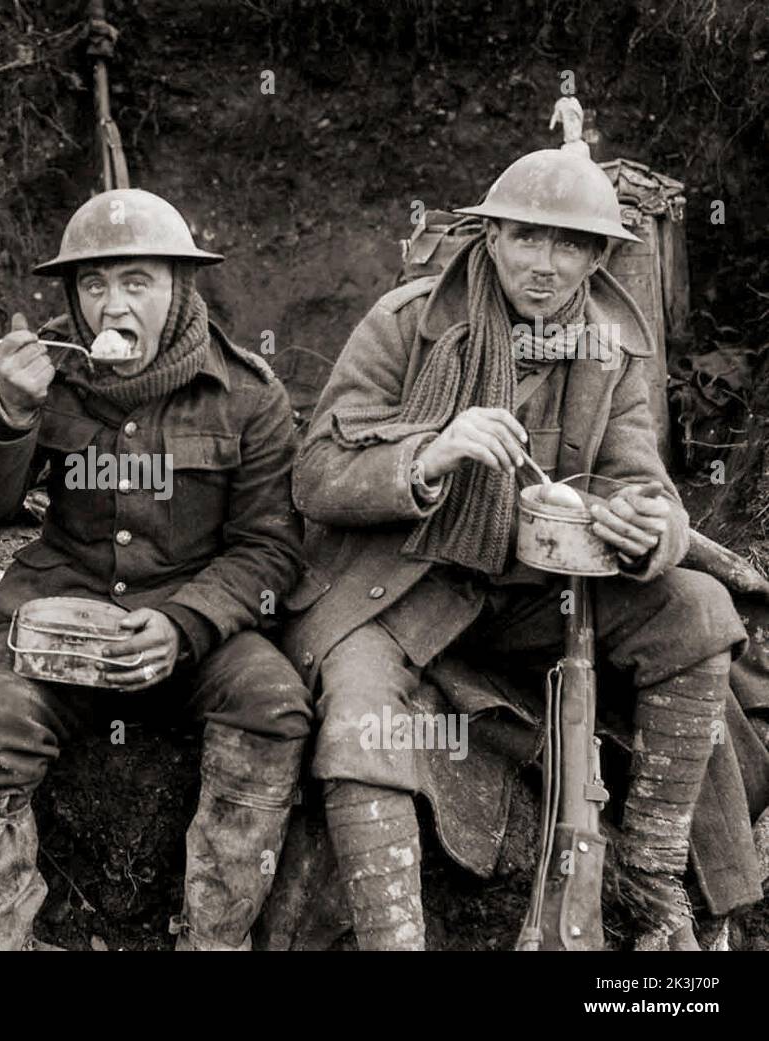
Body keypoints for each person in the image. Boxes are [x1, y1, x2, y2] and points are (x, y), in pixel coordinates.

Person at [284, 148, 746, 950]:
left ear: (599, 257)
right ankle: (393, 935)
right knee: (359, 710)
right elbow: (315, 475)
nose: (544, 263)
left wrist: (644, 530)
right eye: (527, 237)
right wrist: (427, 454)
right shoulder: (407, 323)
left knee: (699, 606)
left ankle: (651, 869)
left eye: (569, 245)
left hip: (544, 594)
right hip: (402, 588)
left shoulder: (612, 351)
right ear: (491, 235)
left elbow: (645, 486)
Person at [0, 188, 312, 950]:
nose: (113, 308)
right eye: (94, 285)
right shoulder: (47, 373)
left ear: (179, 287)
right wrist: (8, 413)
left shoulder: (247, 395)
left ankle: (215, 936)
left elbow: (271, 548)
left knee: (274, 704)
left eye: (137, 281)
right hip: (61, 618)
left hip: (192, 618)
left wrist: (183, 624)